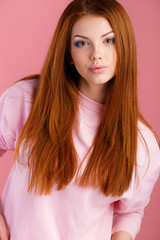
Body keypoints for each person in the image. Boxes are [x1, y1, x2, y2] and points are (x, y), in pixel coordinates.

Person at [0, 0, 160, 239]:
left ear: (125, 46)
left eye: (109, 40)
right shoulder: (26, 99)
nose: (96, 54)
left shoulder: (143, 144)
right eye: (82, 43)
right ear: (68, 53)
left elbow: (130, 213)